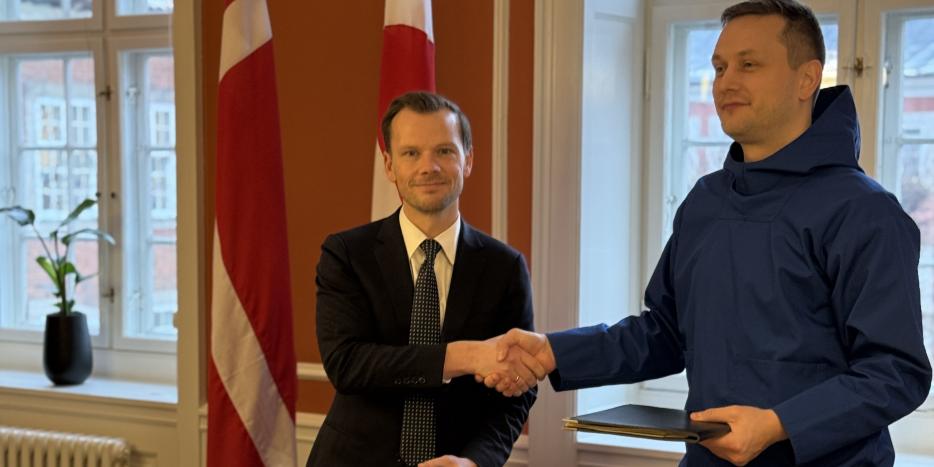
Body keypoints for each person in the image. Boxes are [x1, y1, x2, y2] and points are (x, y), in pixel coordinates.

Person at [489, 1, 933, 465]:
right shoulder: (705, 202)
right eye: (720, 67)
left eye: (749, 65)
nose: (725, 82)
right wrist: (554, 351)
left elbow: (895, 371)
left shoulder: (864, 211)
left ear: (807, 79)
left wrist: (778, 424)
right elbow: (664, 334)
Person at [306, 91, 541, 467]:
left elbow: (516, 395)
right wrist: (466, 356)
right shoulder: (346, 254)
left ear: (468, 160)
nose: (428, 166)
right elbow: (347, 364)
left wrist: (476, 462)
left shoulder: (505, 267)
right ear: (389, 165)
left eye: (444, 151)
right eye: (411, 153)